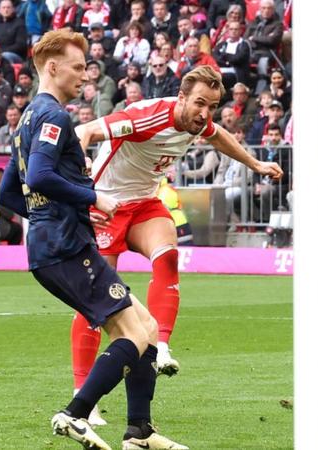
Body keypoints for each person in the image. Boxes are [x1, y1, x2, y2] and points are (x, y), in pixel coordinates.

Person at [0, 29, 188, 449]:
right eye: (78, 67)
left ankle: (140, 431)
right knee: (132, 335)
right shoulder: (53, 117)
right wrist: (92, 197)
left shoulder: (26, 119)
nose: (85, 75)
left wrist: (48, 218)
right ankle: (74, 413)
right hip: (67, 248)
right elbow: (40, 176)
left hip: (57, 246)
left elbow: (8, 195)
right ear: (52, 67)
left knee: (147, 327)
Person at [72, 65, 282, 403]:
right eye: (200, 103)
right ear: (181, 97)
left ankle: (160, 348)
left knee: (168, 255)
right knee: (96, 300)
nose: (205, 113)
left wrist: (255, 165)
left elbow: (218, 135)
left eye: (212, 106)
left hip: (143, 203)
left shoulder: (196, 121)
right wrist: (82, 181)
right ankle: (81, 391)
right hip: (106, 206)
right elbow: (83, 131)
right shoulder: (147, 117)